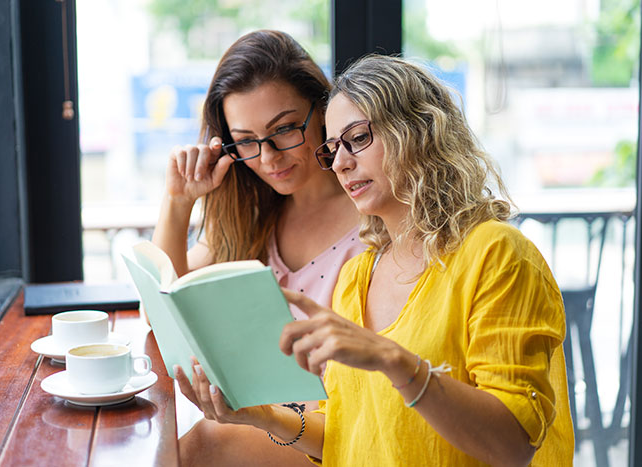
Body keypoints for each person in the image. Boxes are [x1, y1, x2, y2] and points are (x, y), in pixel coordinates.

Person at [177, 54, 575, 466]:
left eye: (359, 139)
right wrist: (260, 417)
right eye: (332, 149)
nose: (342, 163)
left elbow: (513, 444)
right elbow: (345, 431)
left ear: (419, 131)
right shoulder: (358, 275)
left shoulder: (497, 254)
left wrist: (393, 360)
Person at [152, 30, 364, 465]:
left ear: (322, 112)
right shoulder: (253, 214)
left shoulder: (371, 212)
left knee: (198, 447)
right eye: (245, 140)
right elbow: (163, 310)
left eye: (284, 129)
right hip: (271, 422)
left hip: (343, 432)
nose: (267, 157)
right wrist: (178, 203)